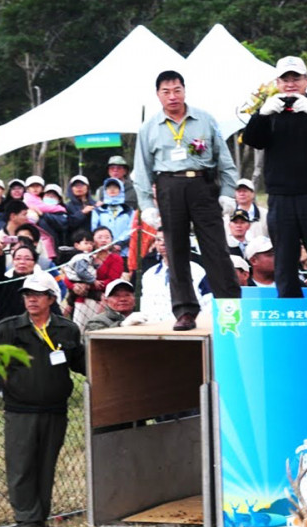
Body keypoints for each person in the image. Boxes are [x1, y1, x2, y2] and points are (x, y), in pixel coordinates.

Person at [134, 69, 240, 331]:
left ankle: (229, 306)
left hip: (202, 184)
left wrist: (228, 192)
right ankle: (184, 311)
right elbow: (142, 169)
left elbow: (224, 159)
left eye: (177, 90)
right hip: (169, 185)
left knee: (216, 248)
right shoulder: (149, 127)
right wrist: (147, 205)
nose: (172, 96)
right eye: (166, 92)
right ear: (158, 95)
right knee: (175, 250)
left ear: (184, 90)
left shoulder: (204, 119)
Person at [241, 55, 307, 315]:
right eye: (285, 79)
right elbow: (253, 139)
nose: (290, 84)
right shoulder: (270, 112)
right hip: (281, 195)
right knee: (284, 259)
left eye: (296, 78)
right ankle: (290, 312)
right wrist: (263, 114)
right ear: (277, 82)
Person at [0, 272, 85, 527]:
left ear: (51, 298)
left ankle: (39, 520)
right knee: (21, 466)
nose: (31, 300)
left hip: (56, 410)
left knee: (46, 465)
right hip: (21, 411)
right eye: (27, 295)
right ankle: (25, 521)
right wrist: (5, 381)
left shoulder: (67, 329)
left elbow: (82, 363)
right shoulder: (8, 328)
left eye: (37, 295)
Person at [139, 229, 212, 321]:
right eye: (158, 239)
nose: (162, 243)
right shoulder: (149, 275)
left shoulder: (197, 271)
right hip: (156, 328)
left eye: (167, 239)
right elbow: (145, 306)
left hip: (189, 328)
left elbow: (208, 304)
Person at [91, 178, 133, 255]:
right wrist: (106, 243)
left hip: (124, 251)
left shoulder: (129, 210)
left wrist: (119, 243)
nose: (112, 190)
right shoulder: (98, 210)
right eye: (109, 188)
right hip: (103, 252)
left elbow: (130, 229)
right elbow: (95, 229)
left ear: (121, 190)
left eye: (115, 187)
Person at [64, 175, 96, 244]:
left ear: (87, 187)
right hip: (74, 242)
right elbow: (68, 224)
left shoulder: (95, 204)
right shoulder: (67, 206)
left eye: (81, 185)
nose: (79, 188)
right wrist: (82, 213)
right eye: (76, 186)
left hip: (93, 241)